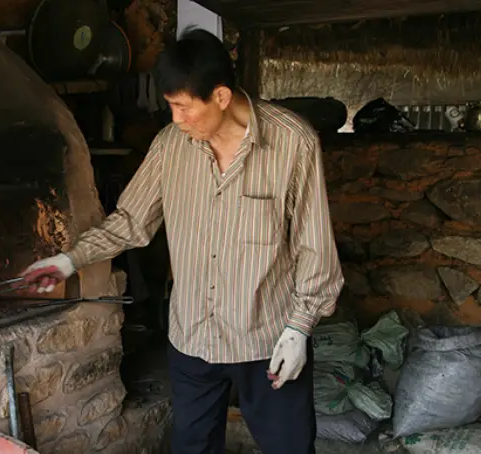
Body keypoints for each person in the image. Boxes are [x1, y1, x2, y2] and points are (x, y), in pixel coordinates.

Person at [21, 27, 343, 454]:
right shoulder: (171, 146)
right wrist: (69, 260)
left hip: (266, 338)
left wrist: (300, 329)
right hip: (193, 338)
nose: (175, 119)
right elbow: (131, 220)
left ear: (222, 97)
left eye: (183, 107)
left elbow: (314, 245)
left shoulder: (292, 142)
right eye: (170, 106)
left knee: (289, 448)